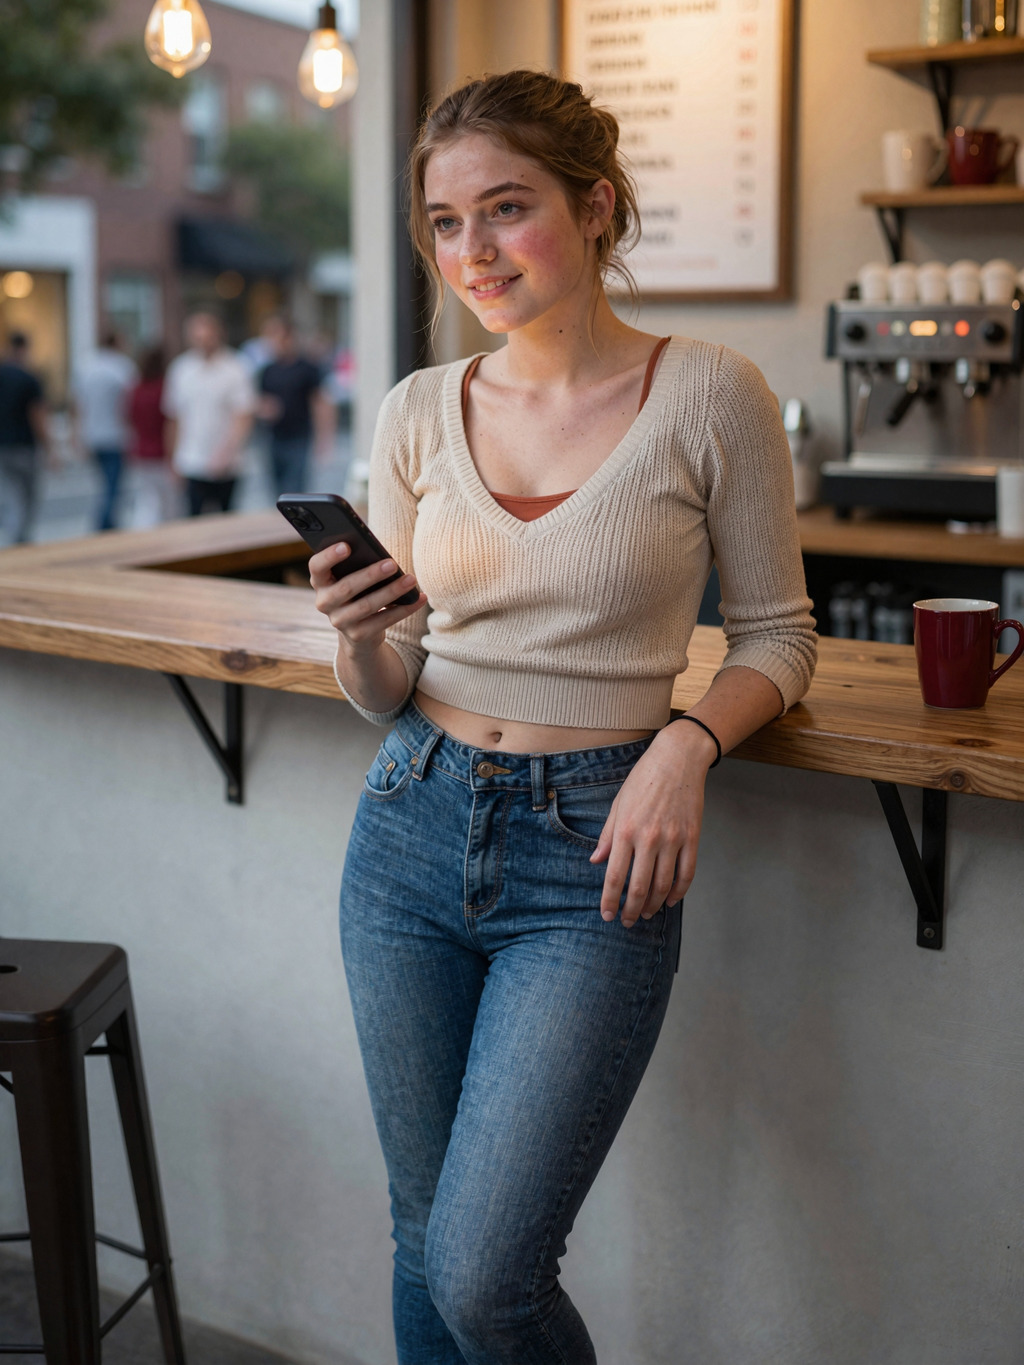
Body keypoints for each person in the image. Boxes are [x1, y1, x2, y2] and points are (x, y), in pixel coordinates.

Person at [310, 70, 818, 1365]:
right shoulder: (417, 409)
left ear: (595, 208)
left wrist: (687, 743)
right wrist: (360, 636)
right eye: (445, 223)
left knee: (486, 1276)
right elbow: (390, 682)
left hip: (593, 856)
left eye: (506, 208)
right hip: (408, 826)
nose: (472, 251)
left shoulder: (710, 394)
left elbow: (779, 637)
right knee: (422, 1234)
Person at [162, 312, 255, 516]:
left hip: (228, 464)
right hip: (191, 459)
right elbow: (174, 418)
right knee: (194, 519)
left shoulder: (236, 367)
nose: (203, 343)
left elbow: (243, 415)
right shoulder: (181, 369)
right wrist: (172, 460)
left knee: (227, 520)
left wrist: (227, 452)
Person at [256, 316, 335, 497]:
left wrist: (324, 438)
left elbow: (320, 403)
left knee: (294, 489)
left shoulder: (307, 368)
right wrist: (265, 409)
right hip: (273, 437)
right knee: (276, 490)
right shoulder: (267, 370)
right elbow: (260, 402)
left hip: (299, 436)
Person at [72, 329, 138, 531]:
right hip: (116, 435)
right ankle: (105, 525)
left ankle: (106, 522)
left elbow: (78, 404)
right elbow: (131, 404)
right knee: (113, 485)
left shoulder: (87, 366)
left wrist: (77, 434)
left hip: (92, 434)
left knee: (104, 483)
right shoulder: (123, 367)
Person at [0, 331, 48, 545]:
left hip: (3, 445)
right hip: (24, 446)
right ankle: (20, 542)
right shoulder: (28, 378)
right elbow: (37, 415)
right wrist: (50, 448)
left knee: (11, 495)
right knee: (27, 498)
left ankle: (15, 537)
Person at [127, 347, 173, 528]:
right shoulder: (163, 389)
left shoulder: (136, 390)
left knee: (147, 501)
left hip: (141, 450)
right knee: (168, 504)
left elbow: (129, 418)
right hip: (161, 451)